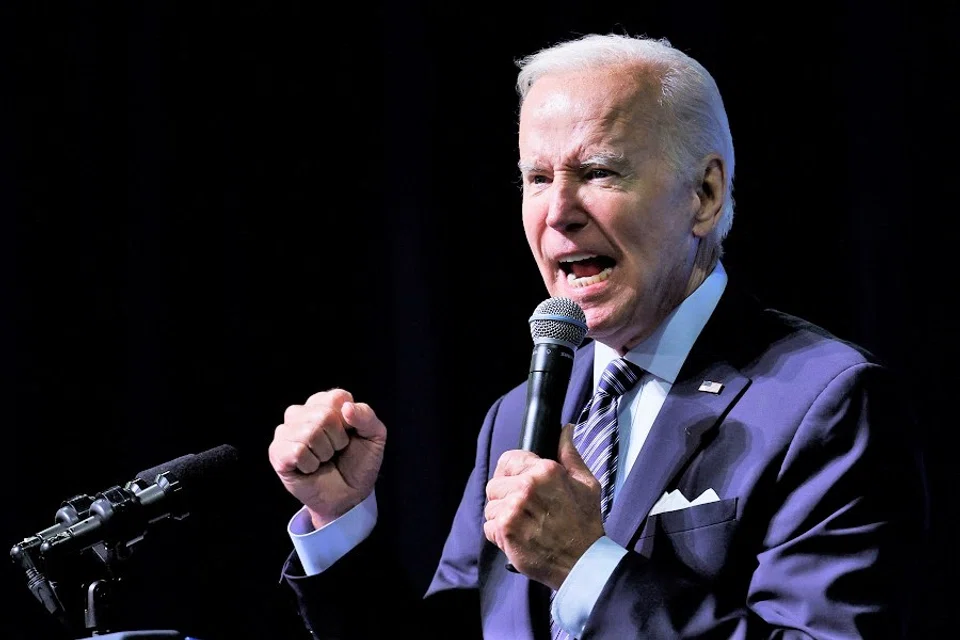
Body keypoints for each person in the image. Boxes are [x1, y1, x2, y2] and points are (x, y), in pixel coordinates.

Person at [268, 32, 929, 639]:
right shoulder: (516, 417)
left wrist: (587, 567)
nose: (559, 212)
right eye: (537, 178)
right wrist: (340, 522)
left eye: (599, 173)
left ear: (703, 194)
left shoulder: (824, 401)